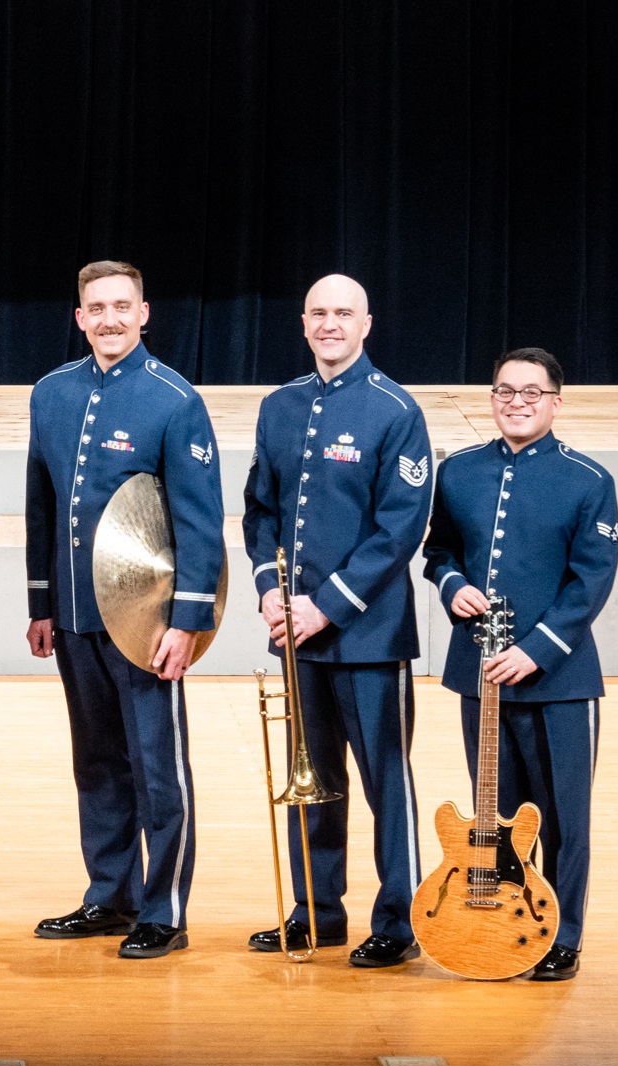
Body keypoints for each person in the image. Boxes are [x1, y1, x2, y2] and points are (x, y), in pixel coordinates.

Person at [26, 261, 223, 960]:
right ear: (79, 317)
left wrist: (188, 621)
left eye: (121, 306)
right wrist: (40, 602)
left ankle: (162, 910)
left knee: (155, 768)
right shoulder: (49, 394)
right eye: (95, 308)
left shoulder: (174, 400)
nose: (108, 318)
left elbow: (200, 523)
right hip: (75, 618)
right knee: (97, 764)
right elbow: (41, 505)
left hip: (146, 624)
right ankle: (109, 896)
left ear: (143, 313)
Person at [239, 274, 433, 969]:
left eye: (342, 313)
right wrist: (267, 588)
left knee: (386, 783)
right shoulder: (279, 405)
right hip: (293, 634)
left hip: (369, 636)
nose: (329, 324)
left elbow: (398, 528)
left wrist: (325, 605)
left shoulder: (395, 409)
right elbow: (259, 509)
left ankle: (400, 921)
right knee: (310, 782)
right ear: (302, 323)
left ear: (365, 324)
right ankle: (315, 913)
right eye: (318, 313)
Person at [422, 348, 617, 982]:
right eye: (506, 391)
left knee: (563, 817)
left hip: (561, 681)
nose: (517, 402)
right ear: (492, 398)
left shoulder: (589, 480)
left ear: (556, 403)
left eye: (532, 393)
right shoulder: (459, 472)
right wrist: (451, 584)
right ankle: (505, 926)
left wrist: (534, 651)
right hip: (478, 676)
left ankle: (564, 935)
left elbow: (591, 580)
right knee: (497, 820)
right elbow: (439, 549)